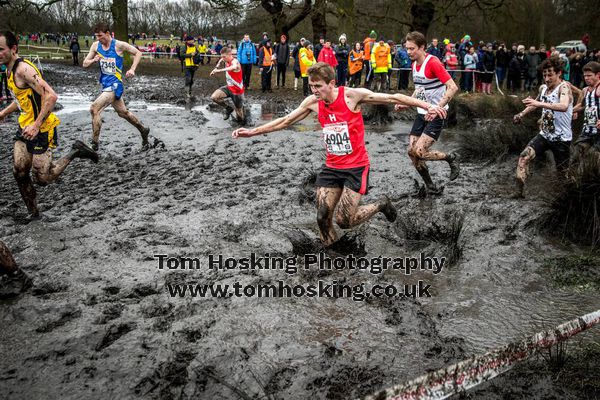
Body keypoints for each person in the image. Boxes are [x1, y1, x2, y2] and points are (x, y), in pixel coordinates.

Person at [231, 62, 447, 246]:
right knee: (322, 217)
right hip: (332, 166)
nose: (314, 90)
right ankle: (334, 256)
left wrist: (429, 106)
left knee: (344, 220)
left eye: (318, 86)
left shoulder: (352, 96)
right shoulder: (312, 102)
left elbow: (393, 98)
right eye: (311, 86)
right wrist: (253, 131)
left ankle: (381, 204)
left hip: (355, 167)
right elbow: (286, 121)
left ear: (331, 84)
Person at [0, 30, 98, 218]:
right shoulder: (8, 69)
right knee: (19, 170)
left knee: (42, 178)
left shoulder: (24, 70)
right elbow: (22, 100)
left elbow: (51, 96)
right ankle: (33, 213)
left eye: (0, 49)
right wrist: (3, 113)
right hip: (24, 127)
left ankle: (76, 151)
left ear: (13, 49)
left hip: (42, 128)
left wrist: (36, 125)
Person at [400, 31, 459, 194]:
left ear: (422, 47)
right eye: (407, 49)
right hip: (422, 113)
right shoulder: (414, 65)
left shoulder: (433, 63)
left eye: (412, 49)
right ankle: (431, 187)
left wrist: (437, 108)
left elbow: (453, 87)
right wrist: (407, 103)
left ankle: (450, 158)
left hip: (437, 114)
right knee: (412, 153)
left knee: (420, 151)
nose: (409, 52)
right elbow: (420, 89)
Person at [82, 22, 150, 151]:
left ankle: (94, 145)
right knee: (123, 113)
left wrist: (132, 69)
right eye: (96, 36)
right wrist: (93, 60)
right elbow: (85, 64)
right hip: (105, 85)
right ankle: (143, 129)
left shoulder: (119, 45)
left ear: (107, 33)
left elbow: (138, 53)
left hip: (115, 85)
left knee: (94, 109)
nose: (98, 38)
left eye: (100, 36)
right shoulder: (96, 46)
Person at [512, 57, 574, 198]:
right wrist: (521, 114)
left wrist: (539, 104)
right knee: (524, 157)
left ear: (559, 73)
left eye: (550, 74)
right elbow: (535, 103)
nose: (546, 78)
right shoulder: (543, 88)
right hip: (544, 135)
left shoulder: (564, 87)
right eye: (544, 75)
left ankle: (566, 200)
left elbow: (563, 106)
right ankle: (519, 193)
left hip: (561, 139)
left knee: (562, 175)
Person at [570, 61, 600, 172]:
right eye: (585, 76)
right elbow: (582, 105)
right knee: (576, 154)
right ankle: (572, 181)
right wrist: (570, 111)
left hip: (599, 132)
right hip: (587, 130)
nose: (586, 78)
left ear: (598, 75)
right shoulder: (585, 90)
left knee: (593, 158)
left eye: (589, 76)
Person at [210, 47, 246, 123]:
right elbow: (220, 60)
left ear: (230, 54)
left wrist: (219, 70)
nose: (223, 58)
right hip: (229, 88)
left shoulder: (235, 62)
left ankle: (242, 125)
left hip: (237, 91)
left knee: (239, 116)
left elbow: (233, 67)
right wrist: (215, 68)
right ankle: (228, 108)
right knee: (214, 97)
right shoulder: (225, 59)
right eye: (222, 56)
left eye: (224, 57)